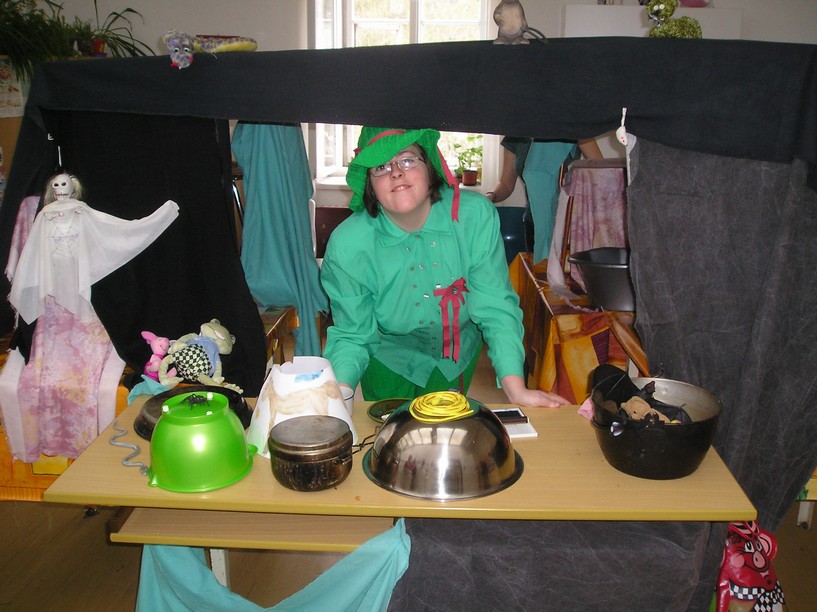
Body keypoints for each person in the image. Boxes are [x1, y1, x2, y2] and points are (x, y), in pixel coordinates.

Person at [320, 127, 568, 408]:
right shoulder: (348, 245)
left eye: (407, 160)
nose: (396, 172)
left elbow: (495, 306)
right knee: (388, 429)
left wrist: (516, 389)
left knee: (447, 428)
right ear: (369, 184)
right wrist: (339, 397)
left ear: (430, 166)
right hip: (387, 359)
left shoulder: (475, 216)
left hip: (454, 359)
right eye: (381, 166)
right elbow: (353, 334)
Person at [486, 137, 603, 264]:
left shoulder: (572, 130)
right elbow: (506, 185)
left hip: (568, 225)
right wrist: (490, 196)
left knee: (566, 274)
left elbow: (602, 172)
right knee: (539, 272)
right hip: (534, 224)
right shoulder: (515, 136)